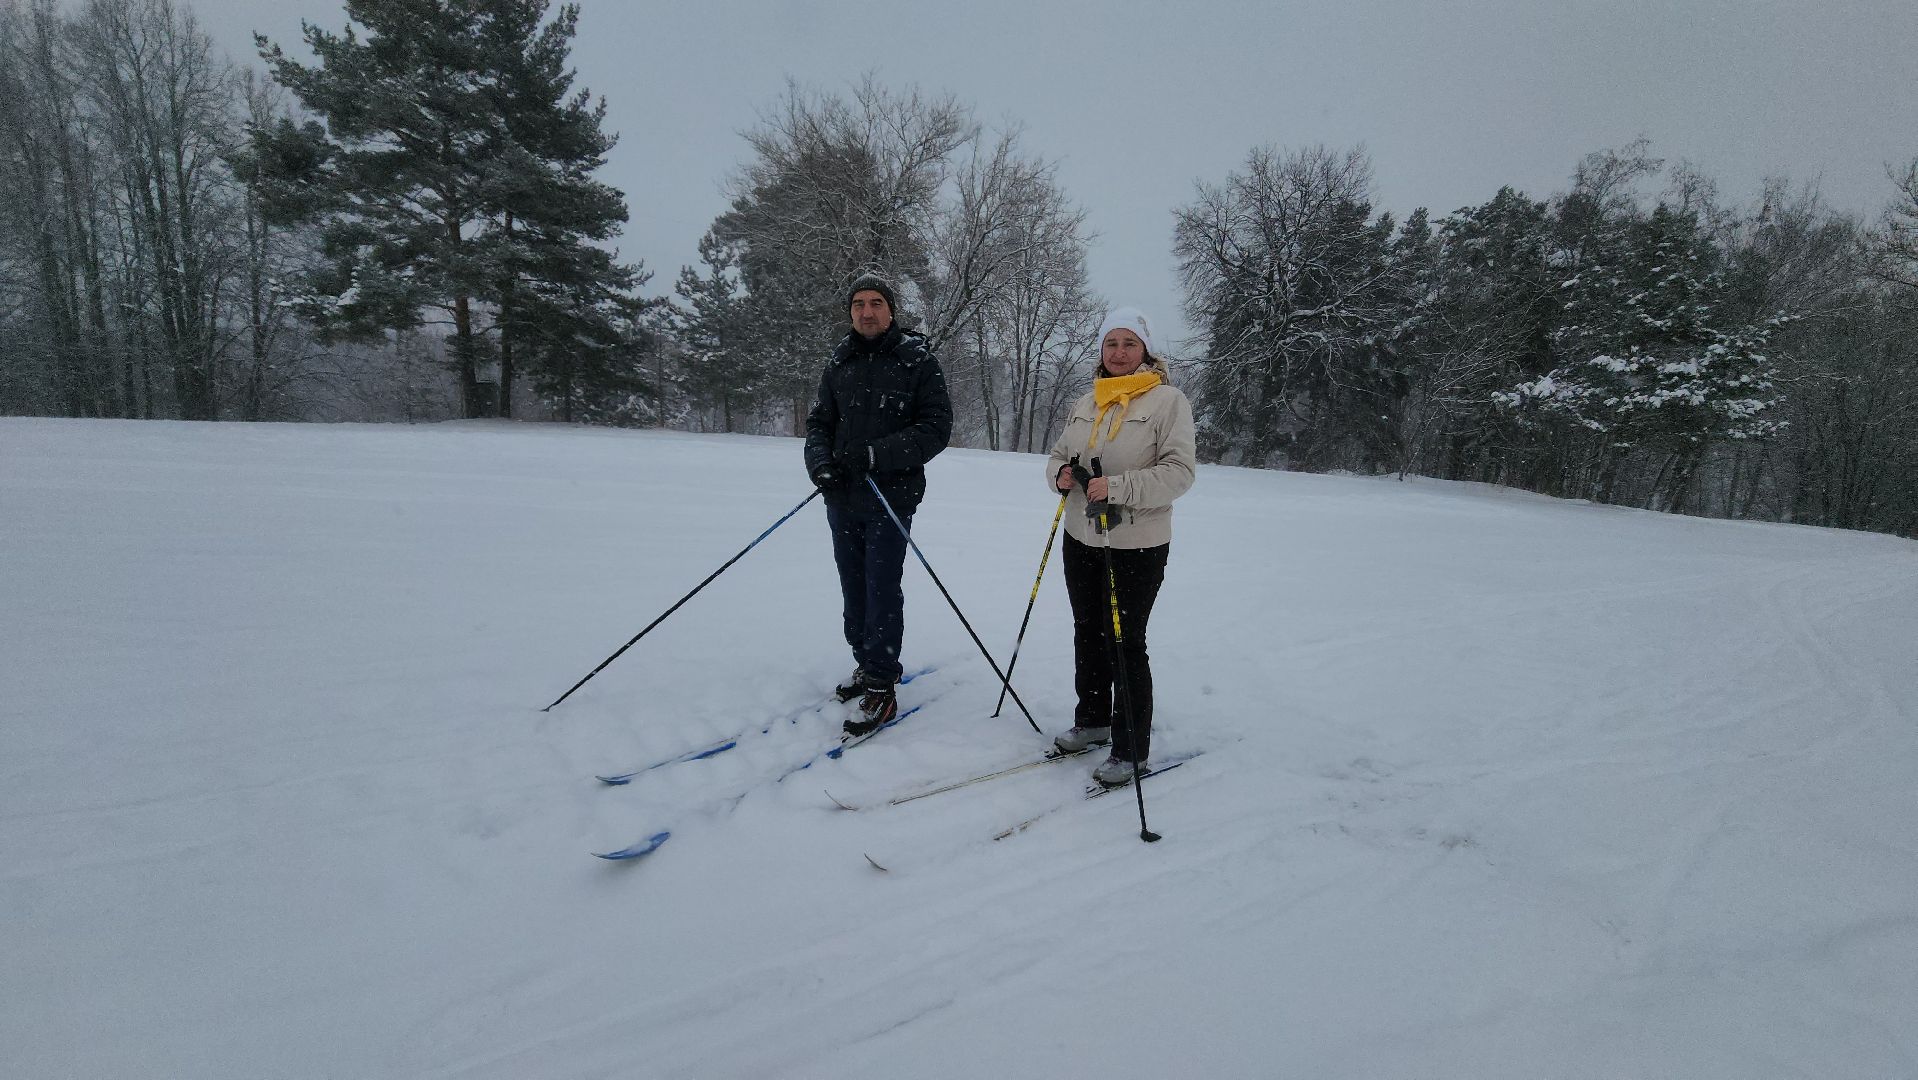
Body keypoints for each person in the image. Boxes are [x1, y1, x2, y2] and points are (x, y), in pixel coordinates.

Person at [1045, 306, 1197, 786]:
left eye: (1129, 343)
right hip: (1080, 535)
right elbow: (1056, 456)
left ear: (1145, 351)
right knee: (1087, 630)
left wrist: (1118, 487)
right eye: (1111, 344)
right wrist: (1061, 477)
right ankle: (1092, 721)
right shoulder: (1087, 399)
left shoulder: (1167, 401)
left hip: (1136, 542)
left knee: (1125, 642)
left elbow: (1179, 474)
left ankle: (1131, 747)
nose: (1119, 352)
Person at [804, 273, 954, 736]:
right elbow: (818, 424)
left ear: (891, 310)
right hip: (842, 497)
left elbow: (935, 429)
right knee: (853, 588)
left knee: (881, 587)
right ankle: (866, 663)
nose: (866, 312)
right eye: (858, 304)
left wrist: (874, 455)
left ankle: (882, 684)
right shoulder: (840, 361)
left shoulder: (917, 361)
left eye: (875, 303)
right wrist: (821, 465)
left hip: (890, 497)